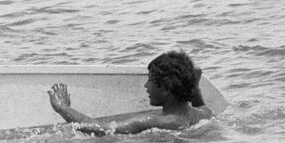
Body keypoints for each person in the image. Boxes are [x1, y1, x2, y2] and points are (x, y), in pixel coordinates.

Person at [48, 50, 213, 135]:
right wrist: (194, 85)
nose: (146, 86)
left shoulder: (152, 122)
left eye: (150, 80)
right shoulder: (203, 115)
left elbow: (102, 129)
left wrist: (63, 108)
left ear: (166, 90)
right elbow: (202, 106)